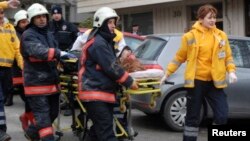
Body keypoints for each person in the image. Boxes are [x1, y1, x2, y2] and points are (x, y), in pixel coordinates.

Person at [160, 4, 237, 141]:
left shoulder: (221, 36)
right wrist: (167, 73)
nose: (213, 20)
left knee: (222, 115)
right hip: (196, 82)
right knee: (192, 118)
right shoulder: (190, 36)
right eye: (209, 18)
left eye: (214, 17)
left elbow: (228, 57)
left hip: (215, 82)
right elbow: (179, 58)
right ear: (201, 19)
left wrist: (231, 71)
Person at [78, 7, 138, 141]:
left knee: (97, 131)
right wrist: (129, 81)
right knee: (106, 134)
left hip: (99, 93)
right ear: (101, 23)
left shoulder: (103, 41)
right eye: (110, 22)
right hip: (95, 93)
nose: (113, 25)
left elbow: (110, 65)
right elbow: (111, 67)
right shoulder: (99, 43)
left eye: (114, 22)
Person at [21, 3, 74, 141]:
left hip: (51, 83)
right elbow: (39, 51)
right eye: (37, 17)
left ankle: (32, 133)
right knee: (44, 120)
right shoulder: (28, 35)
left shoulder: (49, 34)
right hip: (36, 85)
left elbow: (55, 55)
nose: (42, 19)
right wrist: (58, 53)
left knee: (53, 114)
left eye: (43, 16)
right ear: (32, 19)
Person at [0, 1, 21, 141]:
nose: (0, 15)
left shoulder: (10, 27)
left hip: (6, 70)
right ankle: (1, 131)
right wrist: (6, 3)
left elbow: (17, 49)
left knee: (3, 98)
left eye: (1, 12)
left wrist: (23, 66)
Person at [12, 9, 35, 132]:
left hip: (30, 72)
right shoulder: (15, 35)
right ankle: (29, 120)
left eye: (26, 21)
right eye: (22, 22)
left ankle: (27, 117)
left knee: (30, 99)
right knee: (29, 99)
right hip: (18, 73)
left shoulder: (30, 33)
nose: (25, 24)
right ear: (17, 23)